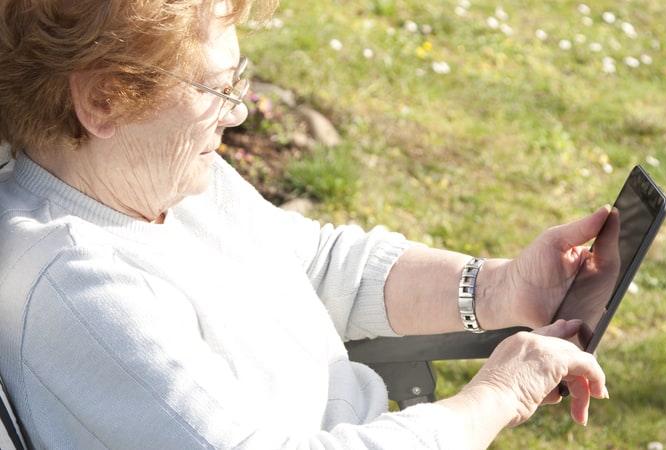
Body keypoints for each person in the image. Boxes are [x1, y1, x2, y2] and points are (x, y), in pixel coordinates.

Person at [0, 0, 612, 448]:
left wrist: (501, 288)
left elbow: (316, 265)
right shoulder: (77, 288)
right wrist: (498, 395)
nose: (236, 113)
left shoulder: (167, 179)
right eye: (214, 89)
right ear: (104, 101)